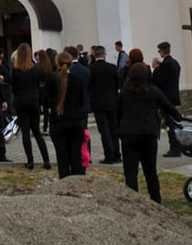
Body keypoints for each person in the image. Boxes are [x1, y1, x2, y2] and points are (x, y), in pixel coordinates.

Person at [118, 61, 181, 203]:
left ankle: (132, 202)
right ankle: (156, 200)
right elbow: (168, 107)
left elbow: (118, 112)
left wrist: (119, 130)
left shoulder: (124, 92)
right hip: (148, 134)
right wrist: (178, 117)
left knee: (130, 172)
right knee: (150, 171)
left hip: (129, 135)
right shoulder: (152, 91)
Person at [48, 50, 90, 178]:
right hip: (76, 122)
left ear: (57, 63)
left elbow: (46, 101)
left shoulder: (52, 80)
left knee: (62, 158)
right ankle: (76, 185)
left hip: (58, 123)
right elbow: (83, 101)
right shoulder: (78, 80)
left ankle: (64, 185)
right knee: (76, 156)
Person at [12, 43, 51, 170]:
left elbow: (14, 88)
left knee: (25, 134)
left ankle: (30, 161)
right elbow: (40, 84)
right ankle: (46, 160)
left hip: (21, 102)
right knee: (37, 132)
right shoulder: (36, 69)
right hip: (34, 102)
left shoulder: (15, 71)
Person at [89, 45, 121, 164]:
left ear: (94, 55)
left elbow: (89, 86)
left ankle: (109, 155)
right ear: (104, 54)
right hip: (112, 102)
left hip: (98, 103)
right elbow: (118, 84)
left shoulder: (91, 68)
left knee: (104, 130)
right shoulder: (112, 67)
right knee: (114, 129)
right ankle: (117, 154)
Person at [153, 41, 182, 157]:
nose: (159, 53)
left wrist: (156, 68)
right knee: (172, 123)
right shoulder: (175, 63)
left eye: (159, 51)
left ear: (162, 51)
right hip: (173, 96)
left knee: (170, 124)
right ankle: (177, 146)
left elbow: (158, 81)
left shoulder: (165, 64)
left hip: (166, 99)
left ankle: (175, 148)